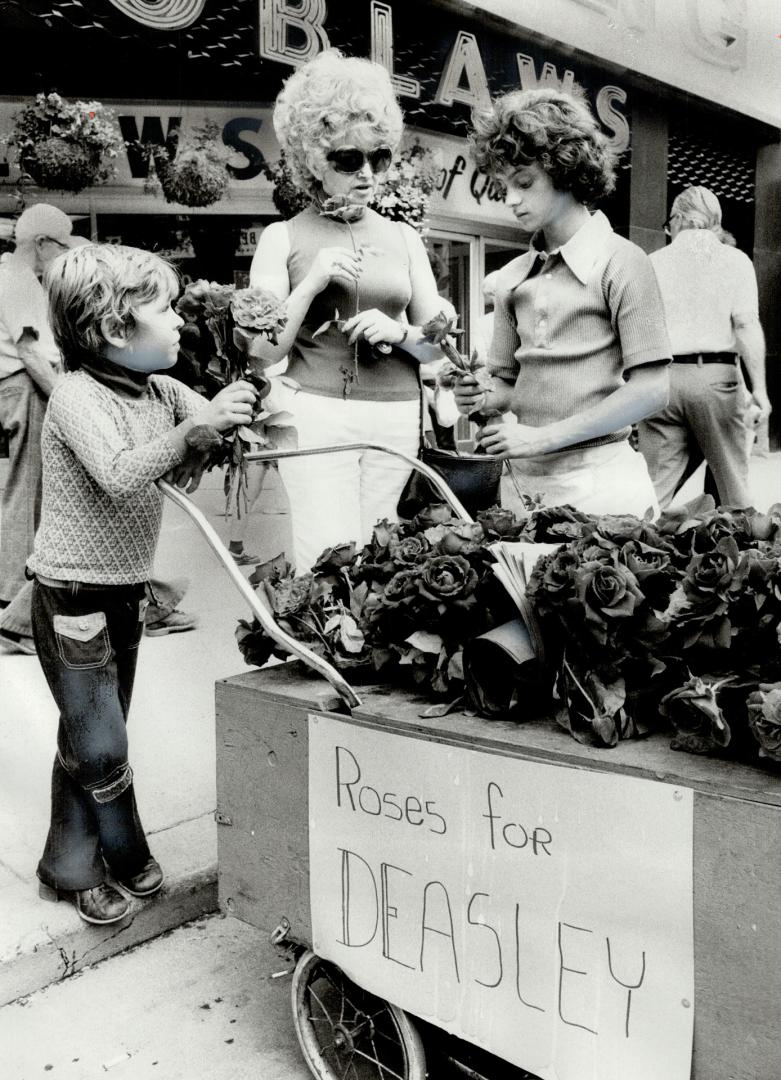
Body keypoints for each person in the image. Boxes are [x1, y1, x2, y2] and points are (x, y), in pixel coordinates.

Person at [29, 243, 256, 924]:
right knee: (99, 744)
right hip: (70, 593)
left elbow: (204, 424)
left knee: (95, 733)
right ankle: (111, 856)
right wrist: (192, 432)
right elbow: (121, 471)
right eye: (165, 308)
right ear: (112, 330)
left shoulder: (159, 389)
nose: (181, 320)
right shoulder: (74, 395)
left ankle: (68, 862)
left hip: (123, 591)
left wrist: (231, 416)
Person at [249, 49, 452, 572]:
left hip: (396, 415)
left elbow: (439, 344)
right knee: (325, 556)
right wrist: (312, 281)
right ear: (314, 160)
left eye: (379, 157)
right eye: (348, 159)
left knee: (382, 559)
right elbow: (260, 351)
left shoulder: (405, 239)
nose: (368, 173)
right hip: (316, 414)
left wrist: (400, 331)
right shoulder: (283, 237)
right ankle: (323, 653)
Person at [453, 87, 671, 518]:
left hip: (605, 484)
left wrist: (541, 438)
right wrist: (476, 395)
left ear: (566, 170)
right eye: (504, 186)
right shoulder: (513, 277)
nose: (511, 199)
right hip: (523, 485)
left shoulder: (623, 262)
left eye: (524, 183)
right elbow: (506, 386)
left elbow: (653, 390)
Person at [635, 185, 769, 509]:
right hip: (716, 379)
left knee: (658, 495)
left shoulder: (651, 263)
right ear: (715, 222)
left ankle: (642, 551)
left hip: (660, 381)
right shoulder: (735, 261)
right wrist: (760, 391)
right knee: (733, 489)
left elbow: (637, 332)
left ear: (678, 219)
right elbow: (747, 325)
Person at [0, 204, 83, 654]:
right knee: (26, 495)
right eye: (63, 243)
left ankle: (16, 607)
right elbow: (31, 352)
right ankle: (15, 614)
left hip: (12, 390)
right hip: (25, 389)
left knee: (20, 493)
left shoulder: (9, 275)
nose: (64, 252)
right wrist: (67, 399)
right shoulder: (18, 279)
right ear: (42, 243)